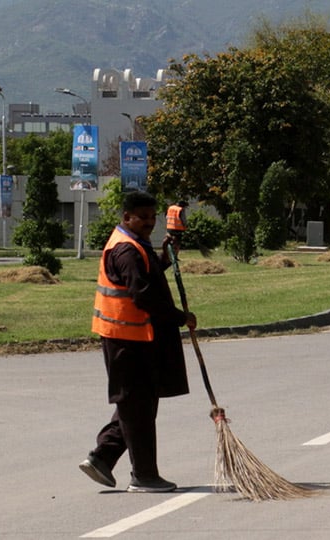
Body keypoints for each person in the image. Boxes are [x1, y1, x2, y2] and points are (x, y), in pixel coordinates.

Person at [81, 191, 197, 493]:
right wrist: (179, 318)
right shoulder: (126, 251)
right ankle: (144, 476)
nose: (148, 223)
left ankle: (102, 458)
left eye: (151, 217)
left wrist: (165, 257)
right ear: (126, 217)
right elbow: (143, 295)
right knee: (138, 408)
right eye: (142, 217)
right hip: (126, 341)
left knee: (135, 404)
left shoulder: (134, 245)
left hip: (135, 338)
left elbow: (149, 275)